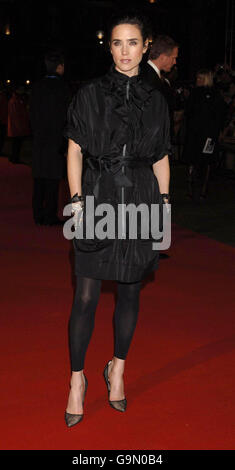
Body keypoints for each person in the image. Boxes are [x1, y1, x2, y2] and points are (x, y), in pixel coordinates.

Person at [63, 11, 171, 427]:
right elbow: (74, 149)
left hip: (142, 199)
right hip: (97, 196)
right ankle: (77, 380)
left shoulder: (157, 99)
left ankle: (117, 370)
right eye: (116, 43)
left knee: (130, 293)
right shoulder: (89, 94)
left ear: (146, 47)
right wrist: (76, 199)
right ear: (109, 47)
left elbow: (160, 156)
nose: (124, 51)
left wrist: (164, 203)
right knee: (86, 296)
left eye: (132, 43)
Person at [29, 50, 70, 225]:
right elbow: (66, 115)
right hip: (55, 139)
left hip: (39, 138)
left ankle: (38, 213)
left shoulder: (37, 87)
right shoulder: (63, 88)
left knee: (39, 178)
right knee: (53, 179)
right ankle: (50, 214)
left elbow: (31, 113)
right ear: (60, 67)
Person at [183, 69, 227, 201]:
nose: (198, 81)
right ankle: (194, 189)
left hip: (207, 134)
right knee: (195, 160)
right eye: (197, 78)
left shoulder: (213, 94)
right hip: (198, 134)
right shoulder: (198, 94)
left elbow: (220, 114)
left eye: (201, 79)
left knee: (204, 161)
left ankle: (201, 190)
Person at [142, 35, 178, 142]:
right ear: (163, 57)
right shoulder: (148, 79)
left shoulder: (152, 76)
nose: (175, 62)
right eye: (174, 58)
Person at [7, 87, 31, 164]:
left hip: (18, 126)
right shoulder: (14, 101)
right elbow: (16, 115)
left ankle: (14, 157)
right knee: (16, 144)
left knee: (16, 144)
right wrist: (19, 127)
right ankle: (14, 158)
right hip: (17, 127)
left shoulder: (18, 100)